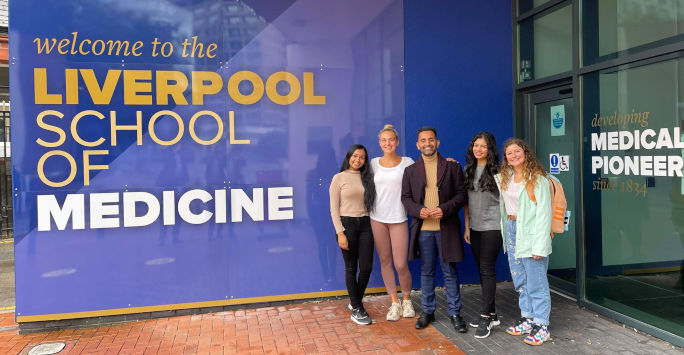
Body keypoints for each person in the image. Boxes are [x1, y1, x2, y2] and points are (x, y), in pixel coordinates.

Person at [401, 126, 468, 332]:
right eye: (423, 140)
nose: (427, 144)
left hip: (446, 227)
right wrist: (418, 210)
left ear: (437, 143)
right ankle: (428, 312)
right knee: (427, 271)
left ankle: (455, 313)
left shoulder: (452, 167)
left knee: (450, 272)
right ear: (417, 145)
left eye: (431, 140)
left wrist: (444, 209)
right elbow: (406, 198)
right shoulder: (410, 171)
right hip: (424, 230)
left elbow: (461, 195)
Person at [495, 138, 552, 346]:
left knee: (536, 281)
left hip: (530, 233)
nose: (513, 155)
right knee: (521, 280)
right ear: (506, 158)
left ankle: (542, 325)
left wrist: (540, 246)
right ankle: (528, 318)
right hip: (512, 230)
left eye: (517, 151)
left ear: (525, 153)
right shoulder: (505, 177)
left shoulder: (538, 179)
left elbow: (544, 215)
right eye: (509, 153)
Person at [370, 124, 416, 321]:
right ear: (379, 143)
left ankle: (407, 300)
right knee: (385, 261)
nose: (387, 143)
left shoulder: (407, 162)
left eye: (391, 140)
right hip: (377, 218)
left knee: (400, 263)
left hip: (398, 217)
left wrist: (448, 163)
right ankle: (394, 303)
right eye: (383, 140)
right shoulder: (372, 163)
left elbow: (426, 173)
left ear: (397, 142)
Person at [329, 144, 376, 325]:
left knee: (366, 268)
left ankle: (355, 300)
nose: (358, 160)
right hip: (347, 225)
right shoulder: (339, 178)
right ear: (349, 156)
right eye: (355, 156)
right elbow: (333, 209)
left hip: (366, 224)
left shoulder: (368, 177)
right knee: (351, 267)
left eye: (362, 157)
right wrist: (340, 233)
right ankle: (357, 308)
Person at [463, 132, 503, 339]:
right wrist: (467, 227)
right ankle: (493, 313)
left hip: (493, 227)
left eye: (483, 146)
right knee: (482, 269)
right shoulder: (468, 170)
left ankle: (485, 316)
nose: (478, 149)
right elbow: (466, 203)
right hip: (476, 228)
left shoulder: (499, 171)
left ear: (490, 149)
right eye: (475, 145)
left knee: (487, 269)